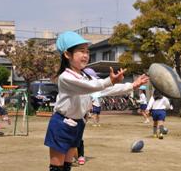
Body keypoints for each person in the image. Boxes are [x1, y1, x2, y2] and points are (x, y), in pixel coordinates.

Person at [44, 31, 149, 171]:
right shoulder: (66, 77)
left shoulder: (85, 76)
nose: (86, 55)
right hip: (61, 124)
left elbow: (104, 89)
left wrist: (131, 85)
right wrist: (109, 80)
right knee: (57, 168)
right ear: (67, 54)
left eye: (87, 51)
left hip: (77, 124)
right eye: (81, 51)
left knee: (67, 166)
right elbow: (92, 87)